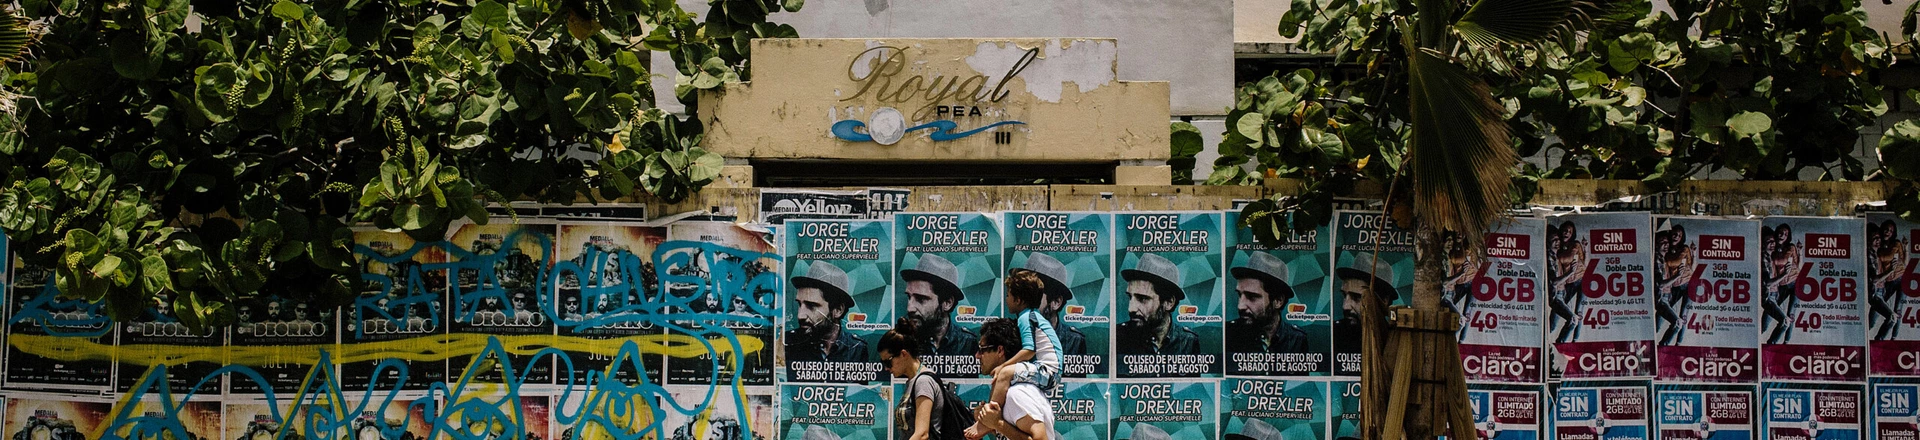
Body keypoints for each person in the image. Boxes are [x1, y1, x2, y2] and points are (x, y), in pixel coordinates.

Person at [964, 270, 1062, 438]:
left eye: (1008, 295)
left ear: (1018, 299)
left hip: (1049, 370)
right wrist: (997, 424)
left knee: (1005, 373)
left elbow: (1029, 350)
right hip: (1047, 370)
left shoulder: (1026, 317)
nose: (1006, 299)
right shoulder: (1029, 317)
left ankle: (985, 421)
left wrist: (1004, 366)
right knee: (1004, 375)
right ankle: (988, 417)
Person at [967, 318, 1061, 440]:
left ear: (1000, 350)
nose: (977, 356)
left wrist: (997, 424)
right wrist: (992, 425)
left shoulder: (1017, 394)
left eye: (982, 349)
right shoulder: (1007, 392)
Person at [1116, 254, 1200, 356]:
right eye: (1130, 297)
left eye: (1142, 298)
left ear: (1169, 302)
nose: (1131, 309)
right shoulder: (1118, 336)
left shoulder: (1188, 342)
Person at [1226, 252, 1310, 355]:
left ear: (1278, 301)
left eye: (1252, 297)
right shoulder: (1229, 334)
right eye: (1240, 295)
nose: (1240, 306)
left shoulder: (1296, 339)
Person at [789, 261, 869, 363]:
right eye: (800, 304)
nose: (800, 315)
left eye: (812, 306)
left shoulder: (857, 348)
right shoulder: (789, 344)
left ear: (838, 310)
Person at [902, 254, 978, 356]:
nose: (909, 308)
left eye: (921, 299)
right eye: (909, 297)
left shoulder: (967, 343)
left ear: (947, 303)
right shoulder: (901, 342)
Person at [1332, 252, 1398, 358]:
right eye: (1344, 296)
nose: (1346, 306)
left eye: (1357, 297)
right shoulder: (1334, 335)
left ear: (1384, 300)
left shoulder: (1395, 340)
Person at [882, 319, 941, 440]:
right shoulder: (912, 381)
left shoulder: (923, 381)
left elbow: (922, 434)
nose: (886, 368)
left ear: (904, 354)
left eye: (888, 362)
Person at [1021, 253, 1086, 356]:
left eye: (1034, 294)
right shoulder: (1010, 335)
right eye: (1022, 293)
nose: (1024, 301)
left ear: (1056, 302)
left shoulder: (1074, 340)